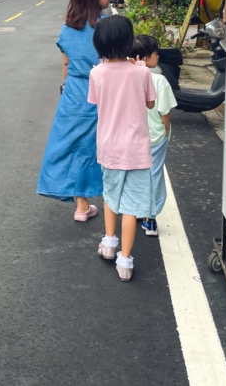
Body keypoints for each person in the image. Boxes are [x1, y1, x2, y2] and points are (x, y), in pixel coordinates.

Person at [88, 15, 156, 282]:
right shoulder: (142, 72)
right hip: (137, 150)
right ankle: (125, 262)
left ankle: (108, 244)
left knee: (110, 197)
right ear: (129, 42)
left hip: (110, 148)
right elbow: (150, 104)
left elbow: (96, 102)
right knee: (131, 206)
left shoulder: (96, 73)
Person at [36, 0, 109, 221]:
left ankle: (81, 206)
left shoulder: (68, 26)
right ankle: (116, 202)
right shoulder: (105, 24)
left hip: (74, 94)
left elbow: (66, 63)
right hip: (104, 92)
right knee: (106, 146)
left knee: (75, 147)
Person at [132, 34, 176, 237]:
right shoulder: (159, 80)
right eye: (155, 53)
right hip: (156, 138)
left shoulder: (127, 79)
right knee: (154, 176)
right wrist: (166, 130)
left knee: (135, 175)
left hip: (133, 138)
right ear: (146, 58)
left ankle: (137, 211)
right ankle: (150, 219)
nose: (158, 56)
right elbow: (164, 111)